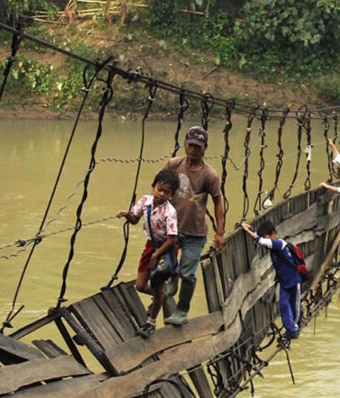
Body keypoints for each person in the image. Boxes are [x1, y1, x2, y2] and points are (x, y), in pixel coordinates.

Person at [162, 126, 226, 326]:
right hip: (171, 229)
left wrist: (219, 233)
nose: (193, 150)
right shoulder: (174, 164)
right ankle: (172, 277)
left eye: (198, 147)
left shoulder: (210, 175)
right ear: (185, 145)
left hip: (195, 233)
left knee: (188, 274)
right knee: (168, 266)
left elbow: (218, 202)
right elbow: (159, 185)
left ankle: (182, 311)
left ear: (205, 148)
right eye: (190, 145)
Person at [117, 169, 180, 338]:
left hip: (166, 248)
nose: (161, 194)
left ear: (171, 195)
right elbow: (135, 219)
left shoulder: (170, 212)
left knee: (157, 283)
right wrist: (127, 215)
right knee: (140, 285)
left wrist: (156, 256)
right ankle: (162, 295)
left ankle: (151, 322)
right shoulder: (145, 201)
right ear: (153, 187)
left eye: (166, 192)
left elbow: (172, 239)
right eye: (159, 189)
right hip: (151, 245)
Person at [241, 221, 301, 340]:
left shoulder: (279, 244)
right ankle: (291, 329)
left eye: (267, 237)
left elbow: (261, 241)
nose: (266, 241)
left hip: (294, 280)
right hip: (284, 283)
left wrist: (246, 229)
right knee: (283, 304)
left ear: (273, 234)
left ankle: (294, 329)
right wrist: (251, 230)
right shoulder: (273, 246)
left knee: (295, 306)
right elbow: (260, 240)